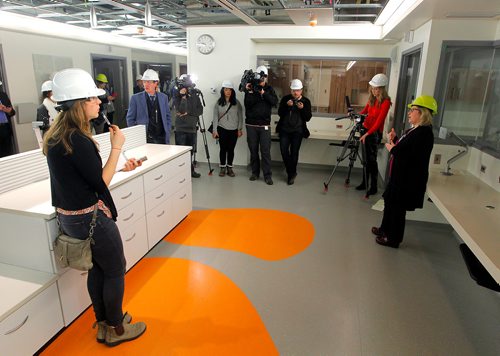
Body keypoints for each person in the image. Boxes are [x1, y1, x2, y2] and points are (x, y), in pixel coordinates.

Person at [43, 68, 146, 346]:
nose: (100, 102)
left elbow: (83, 180)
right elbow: (99, 182)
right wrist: (116, 149)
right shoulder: (78, 139)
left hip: (71, 219)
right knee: (115, 269)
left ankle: (103, 321)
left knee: (97, 270)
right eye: (93, 98)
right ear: (80, 103)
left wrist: (120, 168)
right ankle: (115, 327)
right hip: (92, 218)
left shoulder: (58, 136)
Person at [372, 95, 436, 248]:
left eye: (413, 110)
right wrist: (395, 139)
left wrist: (391, 147)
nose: (409, 113)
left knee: (398, 210)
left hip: (407, 180)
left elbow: (402, 153)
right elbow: (406, 147)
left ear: (422, 113)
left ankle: (393, 239)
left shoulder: (424, 133)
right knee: (389, 202)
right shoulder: (415, 130)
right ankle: (384, 229)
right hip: (398, 177)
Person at [356, 73, 391, 196]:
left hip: (375, 133)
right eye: (373, 88)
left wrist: (368, 134)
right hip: (366, 130)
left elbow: (379, 122)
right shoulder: (372, 99)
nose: (374, 90)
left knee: (372, 160)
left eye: (376, 89)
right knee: (365, 159)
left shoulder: (386, 102)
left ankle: (374, 186)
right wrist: (356, 116)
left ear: (382, 89)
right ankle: (364, 183)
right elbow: (364, 112)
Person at [244, 65, 278, 185]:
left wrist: (263, 93)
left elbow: (274, 102)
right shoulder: (251, 88)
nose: (261, 80)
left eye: (263, 77)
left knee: (265, 151)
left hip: (265, 126)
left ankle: (267, 175)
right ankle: (255, 172)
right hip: (251, 125)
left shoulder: (269, 89)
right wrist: (254, 92)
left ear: (266, 77)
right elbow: (247, 104)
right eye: (260, 77)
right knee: (253, 151)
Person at [277, 79, 312, 185]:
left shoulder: (306, 101)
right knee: (283, 151)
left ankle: (290, 175)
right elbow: (280, 113)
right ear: (291, 90)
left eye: (297, 90)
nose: (295, 93)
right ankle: (292, 172)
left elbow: (308, 118)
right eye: (293, 90)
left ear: (301, 90)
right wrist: (287, 106)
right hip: (284, 130)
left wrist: (302, 108)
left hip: (298, 131)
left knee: (294, 152)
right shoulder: (286, 99)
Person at [126, 69, 171, 145]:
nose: (146, 84)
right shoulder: (135, 98)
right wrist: (136, 134)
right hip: (144, 139)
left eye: (149, 82)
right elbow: (130, 119)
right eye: (144, 82)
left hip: (161, 138)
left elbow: (167, 116)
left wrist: (167, 130)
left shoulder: (163, 98)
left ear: (156, 83)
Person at [173, 74, 204, 178]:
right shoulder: (177, 95)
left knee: (190, 152)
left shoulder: (194, 94)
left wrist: (189, 112)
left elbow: (200, 110)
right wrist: (183, 97)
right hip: (181, 128)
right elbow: (181, 110)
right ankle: (180, 173)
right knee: (181, 153)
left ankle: (190, 171)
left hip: (192, 128)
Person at [212, 80, 243, 177]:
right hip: (222, 129)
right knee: (222, 149)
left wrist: (239, 129)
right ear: (223, 91)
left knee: (231, 149)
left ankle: (230, 167)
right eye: (226, 90)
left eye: (230, 90)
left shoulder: (236, 103)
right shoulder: (218, 102)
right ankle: (222, 167)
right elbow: (215, 117)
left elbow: (240, 117)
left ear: (232, 91)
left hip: (234, 130)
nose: (228, 92)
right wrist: (214, 130)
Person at [0, 81, 16, 158]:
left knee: (8, 153)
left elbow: (12, 112)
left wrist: (7, 110)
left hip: (6, 129)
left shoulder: (3, 95)